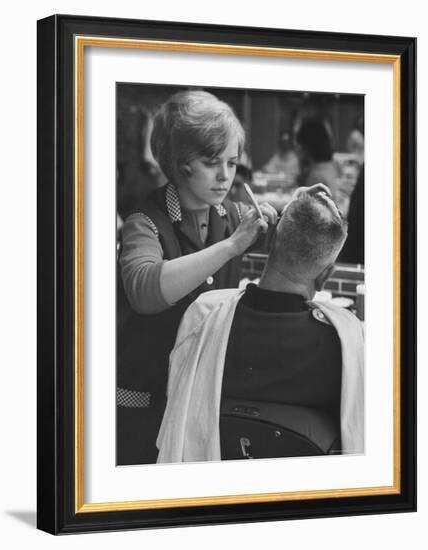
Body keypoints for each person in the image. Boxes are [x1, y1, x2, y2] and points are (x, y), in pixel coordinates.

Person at [117, 90, 277, 465]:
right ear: (179, 162)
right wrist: (230, 246)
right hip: (144, 403)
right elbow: (144, 289)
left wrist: (294, 216)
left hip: (197, 399)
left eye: (232, 163)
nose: (225, 176)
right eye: (211, 162)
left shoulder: (232, 215)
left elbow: (282, 240)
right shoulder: (145, 222)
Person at [157, 187, 364, 463]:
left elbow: (174, 421)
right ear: (326, 276)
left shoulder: (203, 319)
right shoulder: (347, 342)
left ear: (267, 244)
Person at [295, 116, 340, 201]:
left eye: (299, 144)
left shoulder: (316, 176)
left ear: (307, 146)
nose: (297, 148)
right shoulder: (328, 165)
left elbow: (303, 207)